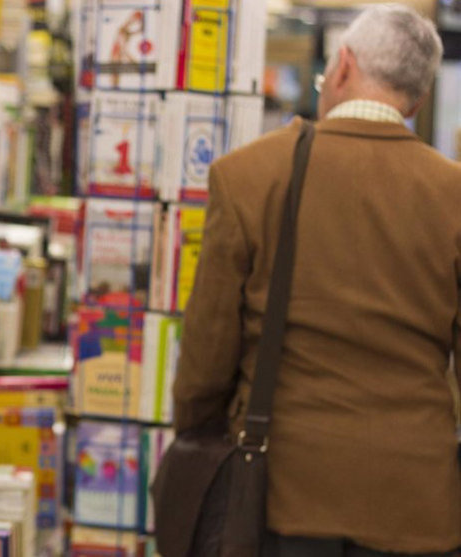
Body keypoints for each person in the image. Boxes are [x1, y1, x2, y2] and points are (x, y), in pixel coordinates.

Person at [173, 4, 461, 556]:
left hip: (282, 495)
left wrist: (198, 431)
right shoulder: (450, 195)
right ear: (417, 101)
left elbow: (206, 356)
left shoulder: (250, 176)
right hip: (417, 501)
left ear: (344, 67)